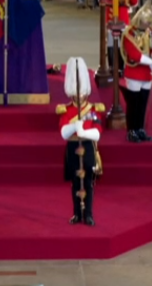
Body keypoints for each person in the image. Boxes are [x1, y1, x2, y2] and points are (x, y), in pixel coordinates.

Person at [57, 56, 105, 226]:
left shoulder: (93, 109)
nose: (80, 95)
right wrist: (73, 128)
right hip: (72, 147)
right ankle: (77, 213)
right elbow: (63, 132)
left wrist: (83, 131)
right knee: (75, 183)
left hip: (88, 146)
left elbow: (98, 132)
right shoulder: (66, 109)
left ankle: (89, 214)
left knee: (89, 183)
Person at [120, 5, 152, 142]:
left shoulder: (149, 32)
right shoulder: (129, 33)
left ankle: (140, 128)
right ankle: (131, 131)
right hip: (134, 73)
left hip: (146, 74)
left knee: (143, 103)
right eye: (146, 23)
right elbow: (135, 55)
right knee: (133, 104)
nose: (148, 26)